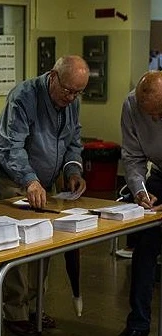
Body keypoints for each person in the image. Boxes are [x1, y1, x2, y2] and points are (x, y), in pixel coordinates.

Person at [0, 55, 89, 336]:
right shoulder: (24, 97)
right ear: (53, 76)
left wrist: (73, 169)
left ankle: (35, 307)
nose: (71, 97)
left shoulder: (72, 102)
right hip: (15, 180)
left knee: (43, 246)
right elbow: (11, 146)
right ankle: (14, 313)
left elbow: (74, 140)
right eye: (67, 90)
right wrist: (30, 180)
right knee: (18, 246)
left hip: (46, 183)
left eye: (77, 92)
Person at [118, 71, 162, 336]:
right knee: (145, 247)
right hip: (158, 174)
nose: (155, 119)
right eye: (151, 115)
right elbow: (133, 157)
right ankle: (138, 325)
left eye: (160, 113)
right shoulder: (132, 105)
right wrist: (140, 190)